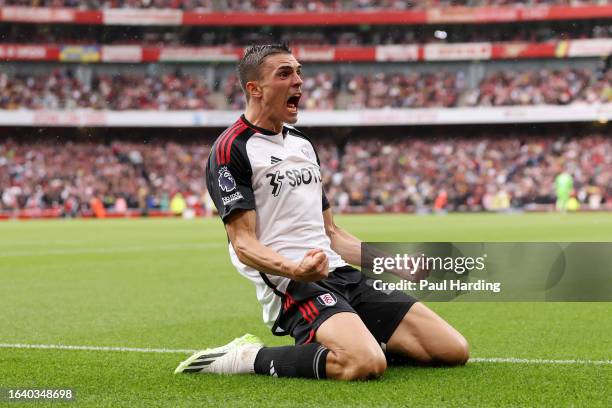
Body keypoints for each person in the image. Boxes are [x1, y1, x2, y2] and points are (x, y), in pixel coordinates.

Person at [174, 44, 468, 380]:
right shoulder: (231, 149)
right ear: (254, 89)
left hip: (340, 273)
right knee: (364, 364)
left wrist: (393, 263)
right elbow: (243, 243)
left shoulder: (302, 143)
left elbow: (333, 234)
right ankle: (249, 357)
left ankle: (354, 336)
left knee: (451, 350)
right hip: (294, 285)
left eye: (299, 71)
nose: (298, 81)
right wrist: (296, 270)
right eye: (285, 74)